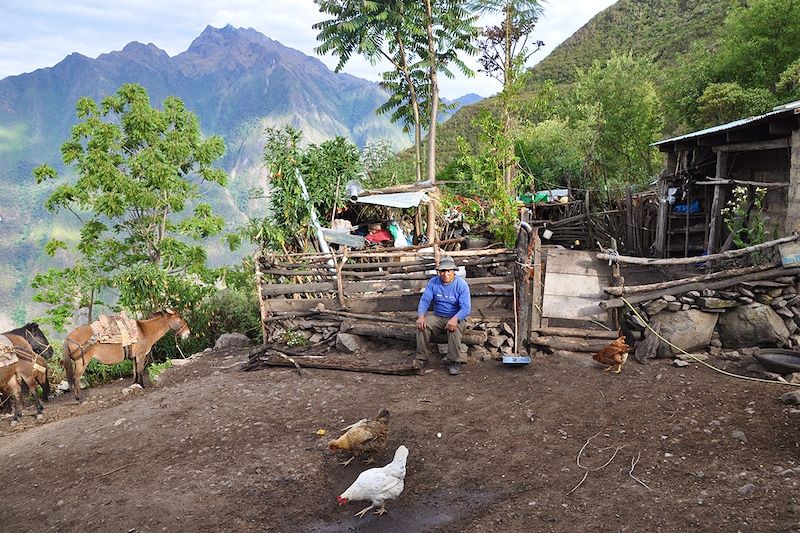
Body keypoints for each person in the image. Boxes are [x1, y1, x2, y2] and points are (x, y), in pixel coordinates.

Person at [415, 255, 471, 375]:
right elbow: (425, 300)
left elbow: (466, 308)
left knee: (453, 330)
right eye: (443, 271)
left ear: (454, 272)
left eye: (449, 271)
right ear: (439, 272)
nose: (446, 274)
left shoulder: (461, 285)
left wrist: (455, 318)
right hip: (438, 316)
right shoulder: (433, 282)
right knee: (423, 326)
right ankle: (421, 358)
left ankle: (454, 361)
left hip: (456, 316)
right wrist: (421, 316)